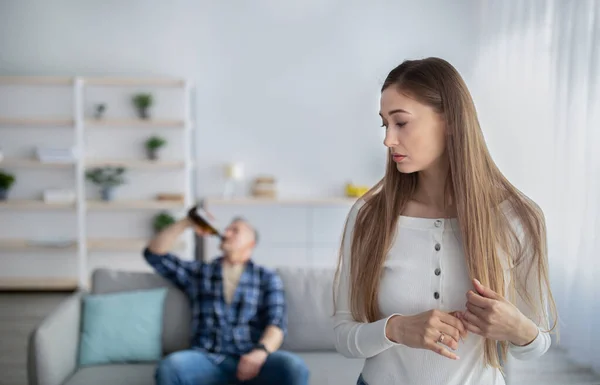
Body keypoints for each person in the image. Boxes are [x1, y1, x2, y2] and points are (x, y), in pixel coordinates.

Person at [333, 57, 557, 385]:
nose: (388, 140)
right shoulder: (369, 216)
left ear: (450, 120)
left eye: (401, 123)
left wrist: (518, 329)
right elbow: (343, 336)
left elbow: (536, 346)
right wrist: (395, 328)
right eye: (385, 124)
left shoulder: (518, 218)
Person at [144, 214, 309, 385]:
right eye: (227, 229)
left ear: (251, 243)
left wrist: (260, 352)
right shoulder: (200, 273)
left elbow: (276, 324)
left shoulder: (266, 277)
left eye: (235, 231)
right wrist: (188, 221)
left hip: (252, 358)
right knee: (170, 367)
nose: (227, 233)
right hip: (206, 358)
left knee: (294, 367)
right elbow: (154, 255)